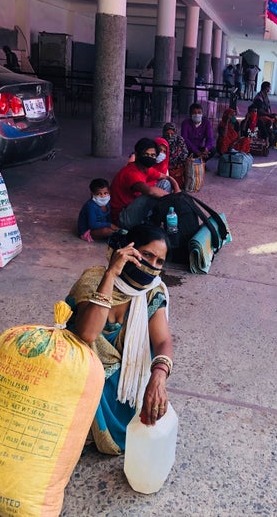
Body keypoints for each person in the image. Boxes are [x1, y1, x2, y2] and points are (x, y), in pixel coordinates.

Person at [65, 224, 174, 455]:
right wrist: (111, 274)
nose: (152, 266)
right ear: (128, 250)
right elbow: (88, 334)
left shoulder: (153, 292)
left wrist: (159, 377)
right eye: (147, 255)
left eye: (159, 262)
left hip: (124, 382)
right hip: (84, 373)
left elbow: (163, 340)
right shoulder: (94, 278)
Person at [110, 138, 180, 229]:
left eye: (153, 155)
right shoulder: (130, 172)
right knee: (152, 193)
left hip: (133, 208)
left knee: (165, 184)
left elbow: (167, 177)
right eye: (146, 154)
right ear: (137, 155)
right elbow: (150, 191)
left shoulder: (145, 168)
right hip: (123, 218)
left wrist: (177, 189)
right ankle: (151, 220)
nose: (149, 157)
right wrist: (173, 198)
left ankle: (153, 219)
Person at [162, 122, 189, 190]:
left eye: (172, 134)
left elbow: (184, 154)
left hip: (177, 167)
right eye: (167, 134)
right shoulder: (161, 142)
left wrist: (176, 165)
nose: (170, 136)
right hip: (165, 167)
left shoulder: (180, 141)